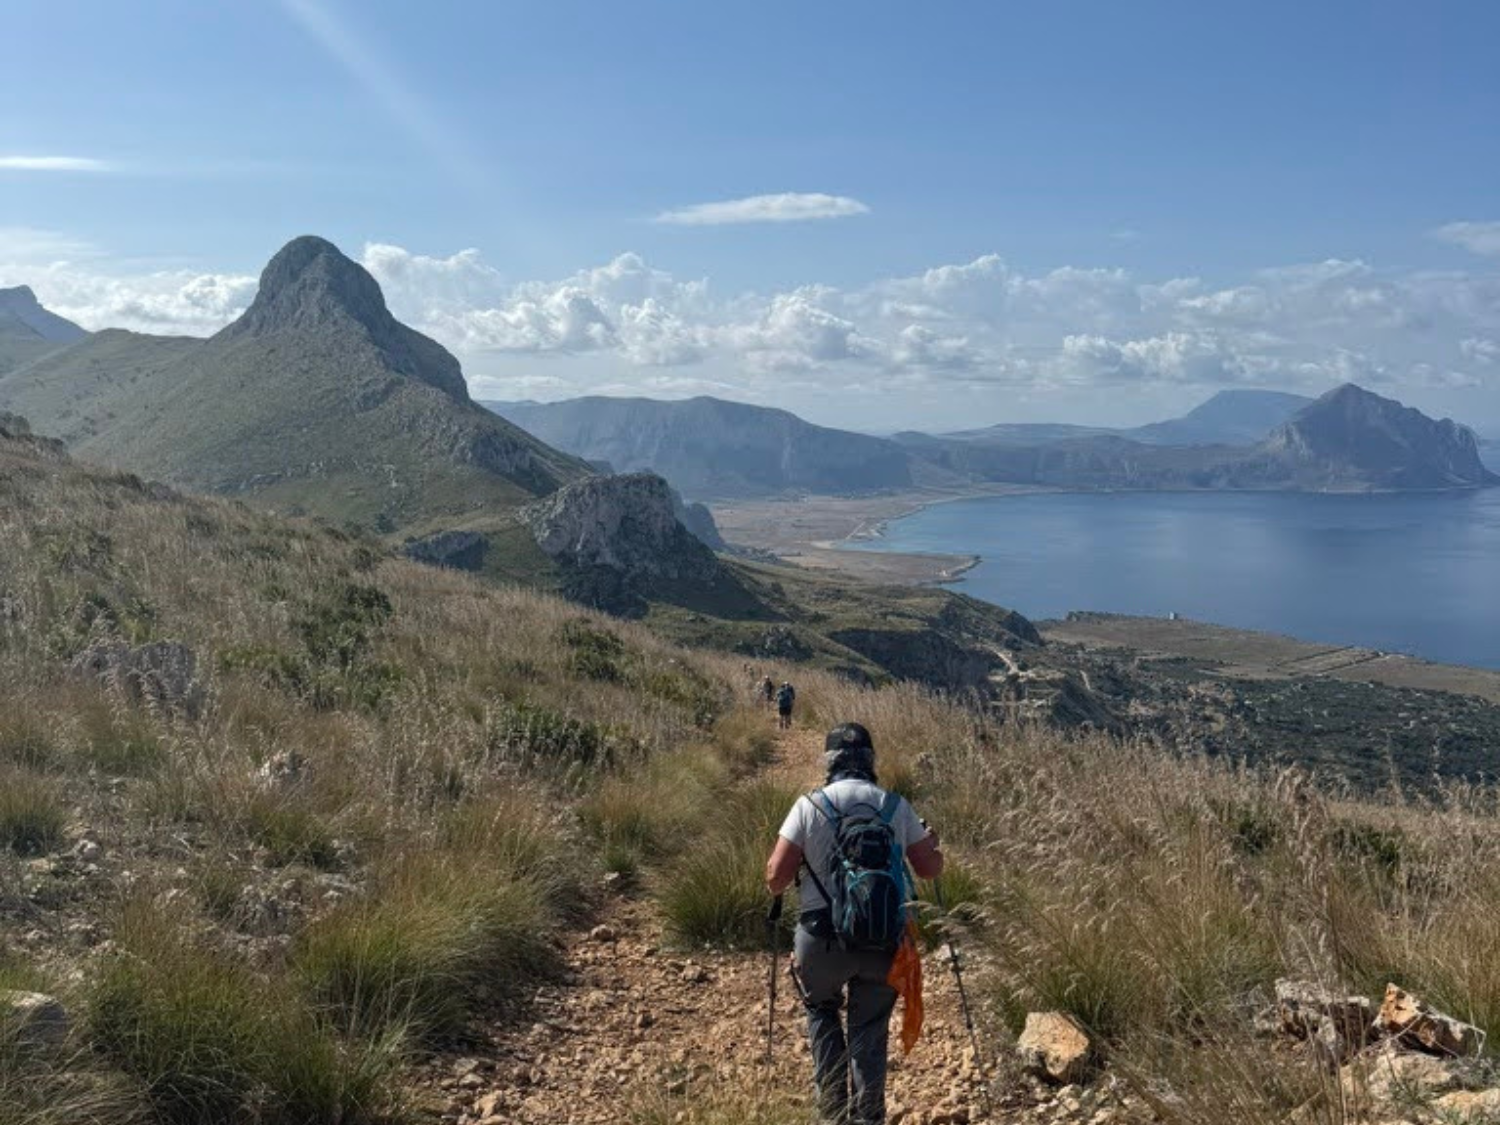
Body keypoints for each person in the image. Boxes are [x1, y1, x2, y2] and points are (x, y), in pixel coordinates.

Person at [764, 723, 944, 1125]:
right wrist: (931, 843)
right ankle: (869, 1118)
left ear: (829, 763)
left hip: (820, 940)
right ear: (870, 761)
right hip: (883, 940)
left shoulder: (809, 806)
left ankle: (832, 1116)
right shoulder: (896, 806)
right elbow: (930, 870)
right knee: (869, 1030)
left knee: (822, 1012)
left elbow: (775, 877)